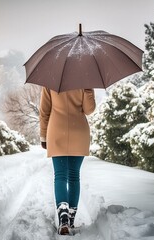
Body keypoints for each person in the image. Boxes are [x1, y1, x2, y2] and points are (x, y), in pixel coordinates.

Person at [39, 87, 96, 235]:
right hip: (79, 132)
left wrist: (43, 136)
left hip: (57, 132)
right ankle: (70, 219)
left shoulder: (50, 80)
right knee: (73, 176)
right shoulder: (84, 79)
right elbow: (89, 110)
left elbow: (44, 111)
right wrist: (88, 89)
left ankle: (63, 218)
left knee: (60, 175)